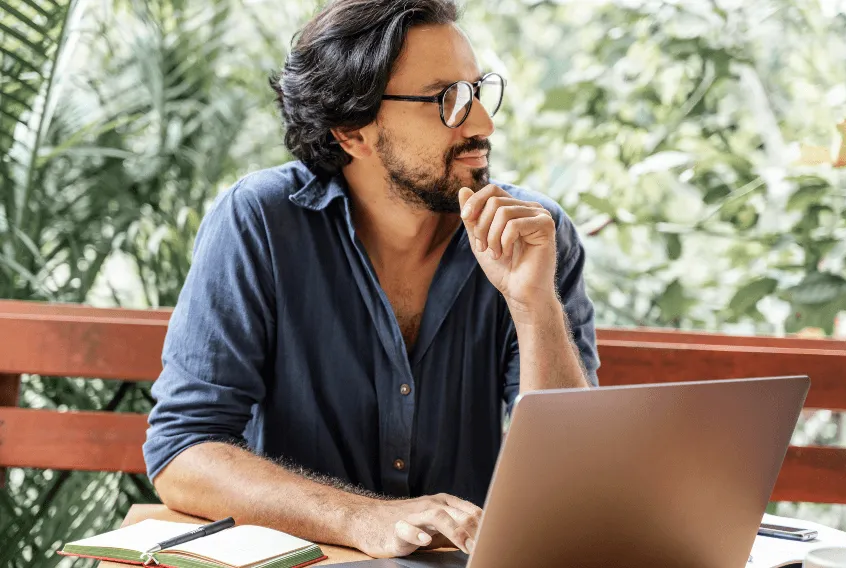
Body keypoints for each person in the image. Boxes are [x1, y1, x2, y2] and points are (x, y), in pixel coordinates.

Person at [143, 0, 599, 559]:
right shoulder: (259, 222)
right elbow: (183, 452)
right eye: (445, 100)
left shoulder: (534, 236)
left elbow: (573, 485)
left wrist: (534, 306)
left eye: (477, 91)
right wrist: (361, 517)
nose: (482, 122)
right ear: (351, 129)